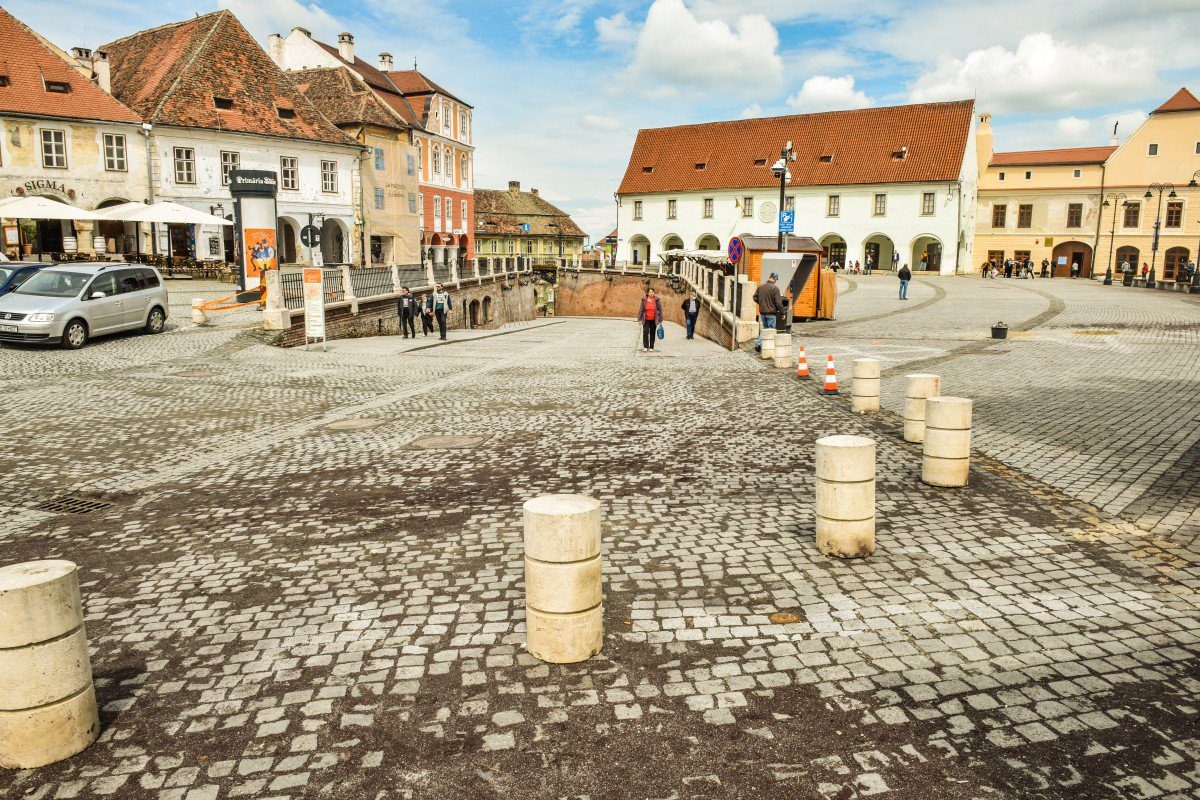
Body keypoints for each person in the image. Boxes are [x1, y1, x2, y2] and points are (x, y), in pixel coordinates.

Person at [753, 272, 784, 351]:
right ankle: (760, 345)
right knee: (770, 330)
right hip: (771, 313)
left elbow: (755, 297)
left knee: (766, 329)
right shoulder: (775, 288)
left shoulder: (761, 287)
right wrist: (783, 312)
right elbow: (778, 303)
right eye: (776, 279)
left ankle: (761, 345)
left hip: (762, 312)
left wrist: (761, 303)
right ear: (775, 279)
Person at [637, 287, 663, 352]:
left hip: (654, 319)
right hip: (646, 319)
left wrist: (660, 320)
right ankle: (645, 347)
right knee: (645, 332)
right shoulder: (644, 300)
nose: (651, 293)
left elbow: (660, 310)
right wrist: (639, 319)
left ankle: (651, 347)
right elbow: (641, 310)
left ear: (654, 293)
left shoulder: (657, 300)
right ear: (647, 293)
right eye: (650, 292)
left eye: (652, 292)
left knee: (652, 332)